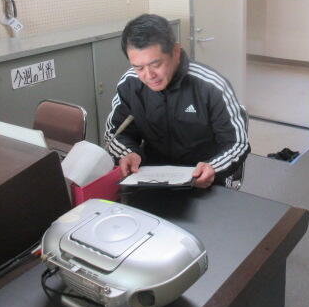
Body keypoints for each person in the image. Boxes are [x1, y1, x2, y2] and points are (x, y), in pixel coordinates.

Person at [105, 14, 249, 189]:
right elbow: (115, 134)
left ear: (175, 52)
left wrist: (213, 168)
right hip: (150, 179)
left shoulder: (211, 86)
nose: (149, 75)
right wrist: (128, 154)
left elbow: (237, 143)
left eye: (156, 64)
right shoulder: (130, 84)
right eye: (139, 67)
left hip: (204, 181)